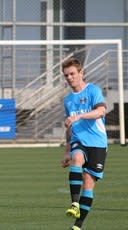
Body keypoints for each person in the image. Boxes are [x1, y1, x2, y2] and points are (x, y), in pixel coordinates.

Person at [60, 58, 108, 230]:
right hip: (78, 140)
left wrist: (79, 116)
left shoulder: (93, 90)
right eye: (66, 75)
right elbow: (69, 127)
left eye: (72, 74)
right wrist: (67, 151)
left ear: (81, 73)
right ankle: (74, 204)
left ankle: (78, 225)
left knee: (88, 182)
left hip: (97, 143)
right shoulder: (67, 100)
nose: (70, 78)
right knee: (77, 159)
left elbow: (101, 111)